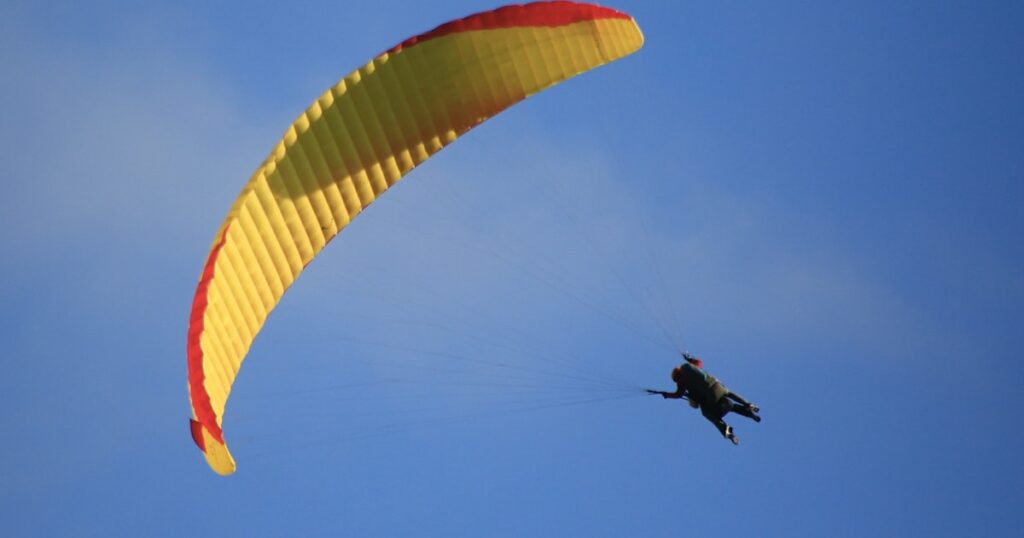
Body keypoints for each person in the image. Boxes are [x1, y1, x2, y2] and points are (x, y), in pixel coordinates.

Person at [647, 353, 760, 445]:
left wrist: (667, 395)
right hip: (718, 387)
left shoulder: (681, 383)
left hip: (710, 397)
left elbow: (678, 395)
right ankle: (748, 406)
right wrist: (690, 359)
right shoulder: (689, 366)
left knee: (706, 413)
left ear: (676, 378)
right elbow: (699, 362)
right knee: (729, 395)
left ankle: (726, 430)